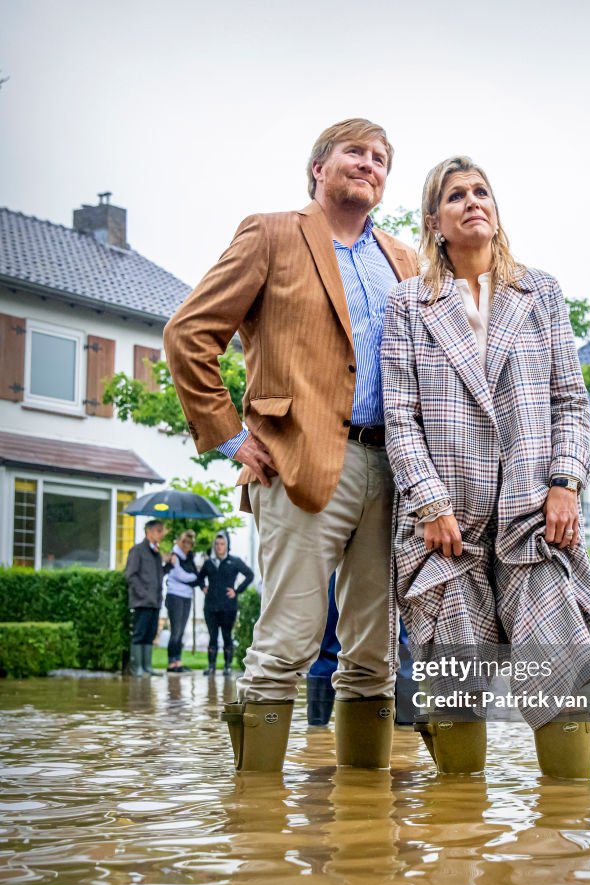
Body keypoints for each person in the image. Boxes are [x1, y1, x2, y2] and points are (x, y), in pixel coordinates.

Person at [164, 118, 419, 772]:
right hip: (295, 462)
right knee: (286, 643)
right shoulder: (271, 233)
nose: (369, 164)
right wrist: (230, 437)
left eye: (380, 158)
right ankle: (256, 823)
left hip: (393, 469)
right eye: (354, 153)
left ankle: (366, 821)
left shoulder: (405, 259)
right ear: (318, 168)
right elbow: (188, 334)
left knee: (375, 654)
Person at [381, 156, 590, 780]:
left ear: (496, 211)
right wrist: (429, 502)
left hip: (534, 512)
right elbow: (401, 415)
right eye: (457, 196)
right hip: (444, 521)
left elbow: (569, 400)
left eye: (482, 192)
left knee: (559, 665)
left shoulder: (541, 292)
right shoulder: (409, 304)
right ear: (434, 220)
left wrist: (565, 481)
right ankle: (460, 844)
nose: (473, 201)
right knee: (454, 682)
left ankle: (565, 840)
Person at [198, 532, 254, 676]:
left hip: (228, 607)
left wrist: (237, 590)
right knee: (212, 637)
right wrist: (203, 587)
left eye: (222, 544)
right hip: (210, 607)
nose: (219, 547)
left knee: (227, 636)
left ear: (227, 546)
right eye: (216, 544)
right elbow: (200, 577)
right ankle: (211, 667)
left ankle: (227, 666)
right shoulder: (209, 563)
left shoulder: (234, 561)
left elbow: (250, 575)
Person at [124, 518, 167, 678]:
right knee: (139, 633)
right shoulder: (137, 550)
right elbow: (130, 575)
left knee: (150, 634)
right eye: (158, 530)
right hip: (142, 601)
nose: (161, 534)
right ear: (148, 532)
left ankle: (147, 666)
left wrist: (168, 564)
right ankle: (137, 668)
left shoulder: (156, 553)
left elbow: (159, 575)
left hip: (155, 602)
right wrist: (142, 593)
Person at [165, 529, 200, 673]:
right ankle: (171, 662)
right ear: (179, 541)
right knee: (175, 630)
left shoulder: (190, 557)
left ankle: (178, 661)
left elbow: (195, 574)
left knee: (181, 631)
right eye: (184, 542)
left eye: (189, 543)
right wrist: (195, 578)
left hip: (186, 597)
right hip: (175, 596)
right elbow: (181, 575)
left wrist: (195, 576)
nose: (186, 545)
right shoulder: (173, 556)